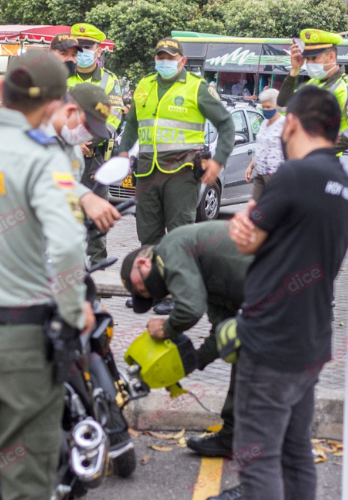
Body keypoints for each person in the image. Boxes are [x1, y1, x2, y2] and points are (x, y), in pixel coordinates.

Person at [0, 51, 95, 500]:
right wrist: (74, 313)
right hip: (21, 342)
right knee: (25, 481)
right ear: (55, 105)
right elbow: (70, 244)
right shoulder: (43, 159)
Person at [210, 86, 348, 500]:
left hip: (272, 342)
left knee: (258, 461)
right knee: (295, 455)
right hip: (311, 343)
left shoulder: (293, 175)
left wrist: (241, 229)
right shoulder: (343, 183)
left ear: (291, 123)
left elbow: (249, 240)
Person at [117, 38, 234, 314]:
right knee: (148, 234)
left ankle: (176, 292)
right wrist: (123, 151)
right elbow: (132, 123)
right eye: (160, 56)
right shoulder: (145, 85)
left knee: (180, 234)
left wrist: (218, 162)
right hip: (147, 170)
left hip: (181, 172)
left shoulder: (197, 87)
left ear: (182, 61)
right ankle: (152, 287)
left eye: (170, 57)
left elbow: (226, 124)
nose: (164, 61)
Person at [119, 221, 253, 457]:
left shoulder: (169, 249)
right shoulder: (206, 271)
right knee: (242, 354)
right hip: (266, 294)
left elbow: (191, 309)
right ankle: (232, 438)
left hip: (282, 287)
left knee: (257, 366)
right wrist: (194, 361)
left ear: (143, 262)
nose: (148, 294)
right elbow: (221, 328)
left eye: (140, 290)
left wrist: (167, 329)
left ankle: (264, 454)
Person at [68, 23, 125, 267]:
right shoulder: (63, 76)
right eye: (78, 48)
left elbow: (114, 116)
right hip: (65, 153)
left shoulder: (109, 81)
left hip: (96, 156)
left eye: (87, 47)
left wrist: (89, 140)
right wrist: (72, 142)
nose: (82, 52)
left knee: (96, 213)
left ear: (98, 50)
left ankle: (97, 266)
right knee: (67, 212)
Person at [44, 83, 122, 237]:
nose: (88, 134)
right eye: (87, 126)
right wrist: (84, 196)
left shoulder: (75, 152)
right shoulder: (34, 136)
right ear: (70, 110)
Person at [277, 29, 348, 155]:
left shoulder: (347, 86)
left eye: (314, 58)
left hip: (325, 163)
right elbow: (283, 107)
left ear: (332, 56)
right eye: (307, 59)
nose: (309, 63)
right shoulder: (312, 84)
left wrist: (319, 150)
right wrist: (294, 72)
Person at [244, 88, 286, 200]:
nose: (265, 110)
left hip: (275, 175)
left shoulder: (285, 124)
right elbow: (261, 148)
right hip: (260, 172)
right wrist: (250, 166)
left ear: (276, 106)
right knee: (254, 206)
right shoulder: (264, 123)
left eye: (268, 107)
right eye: (263, 107)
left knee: (273, 209)